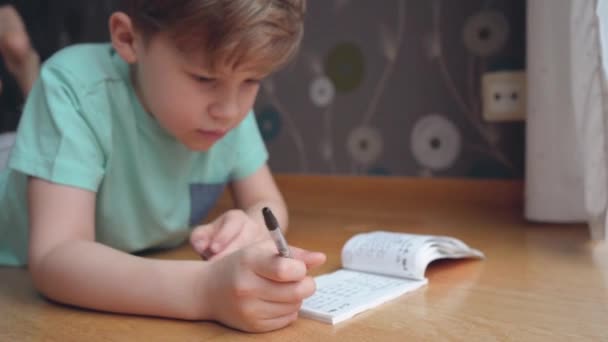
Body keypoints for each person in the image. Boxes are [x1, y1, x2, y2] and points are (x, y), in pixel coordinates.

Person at [0, 0, 326, 333]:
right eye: (204, 78)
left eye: (251, 81)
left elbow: (268, 204)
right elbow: (55, 256)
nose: (229, 110)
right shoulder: (73, 86)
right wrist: (204, 290)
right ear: (129, 39)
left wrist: (253, 226)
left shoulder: (223, 112)